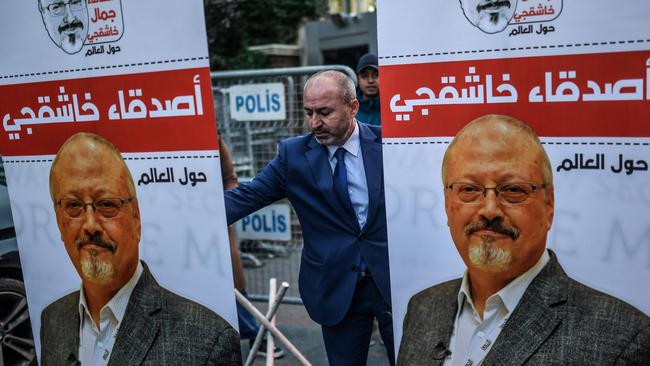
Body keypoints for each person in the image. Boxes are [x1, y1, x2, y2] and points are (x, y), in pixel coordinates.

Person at [397, 115, 650, 365]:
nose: (489, 209)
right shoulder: (422, 308)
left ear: (549, 205)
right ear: (447, 203)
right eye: (469, 189)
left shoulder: (623, 340)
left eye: (513, 190)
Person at [225, 70, 394, 365]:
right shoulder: (293, 156)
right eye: (309, 112)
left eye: (325, 112)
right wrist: (184, 215)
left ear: (352, 107)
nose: (315, 123)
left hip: (392, 281)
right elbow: (245, 197)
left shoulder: (389, 145)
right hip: (336, 286)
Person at [41, 132, 241, 365]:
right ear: (58, 220)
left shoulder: (208, 342)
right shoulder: (52, 319)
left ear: (136, 218)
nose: (90, 225)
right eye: (73, 205)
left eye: (106, 204)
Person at [219, 136, 284, 359]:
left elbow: (230, 178)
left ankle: (258, 336)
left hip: (217, 227)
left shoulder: (212, 136)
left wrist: (219, 210)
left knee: (234, 287)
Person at [355, 53, 381, 126]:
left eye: (376, 75)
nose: (370, 80)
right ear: (358, 79)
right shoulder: (350, 109)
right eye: (364, 76)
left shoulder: (393, 108)